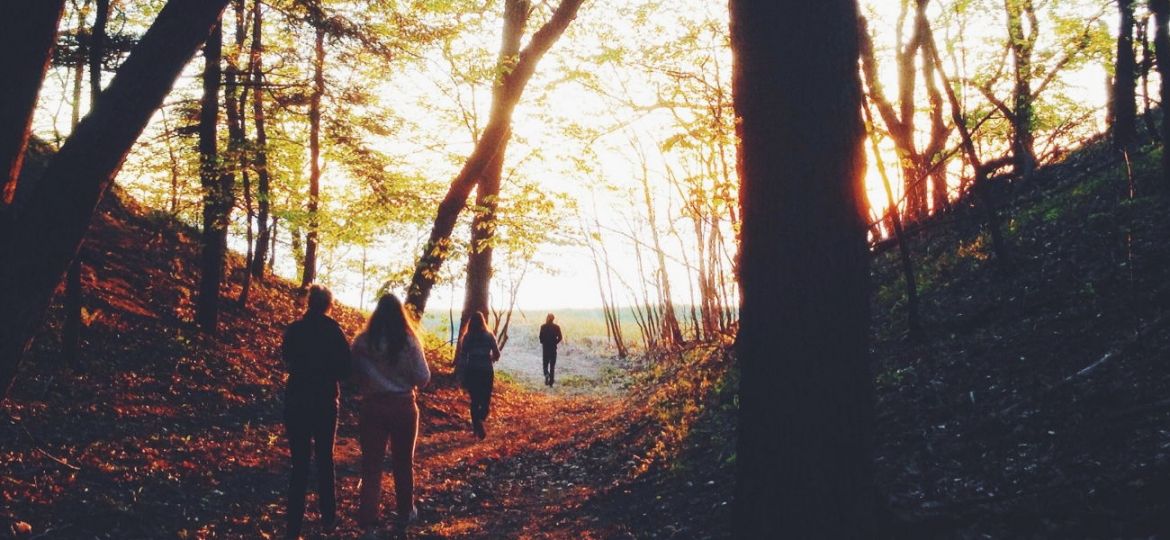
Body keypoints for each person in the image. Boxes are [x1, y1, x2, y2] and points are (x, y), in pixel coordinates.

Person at [351, 294, 431, 537]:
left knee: (371, 466)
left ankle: (368, 522)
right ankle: (406, 512)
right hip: (403, 406)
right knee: (403, 462)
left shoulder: (362, 342)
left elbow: (352, 374)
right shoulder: (408, 341)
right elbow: (423, 377)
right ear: (400, 314)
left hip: (373, 406)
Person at [280, 285, 351, 539]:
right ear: (328, 304)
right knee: (324, 458)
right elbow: (346, 370)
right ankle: (328, 518)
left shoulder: (295, 329)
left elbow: (286, 357)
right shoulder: (334, 331)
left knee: (299, 463)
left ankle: (293, 527)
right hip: (324, 402)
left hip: (297, 399)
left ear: (309, 302)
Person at [457, 311, 500, 439]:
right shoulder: (489, 336)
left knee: (474, 400)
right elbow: (497, 354)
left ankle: (477, 427)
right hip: (486, 371)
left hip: (472, 371)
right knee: (486, 400)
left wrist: (462, 373)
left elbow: (463, 356)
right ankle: (481, 420)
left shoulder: (467, 337)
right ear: (483, 322)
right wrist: (490, 358)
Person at [538, 313, 563, 386]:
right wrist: (555, 342)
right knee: (552, 366)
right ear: (553, 319)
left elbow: (540, 337)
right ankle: (551, 383)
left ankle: (546, 374)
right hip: (553, 349)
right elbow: (560, 337)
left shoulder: (543, 326)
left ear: (548, 318)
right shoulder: (557, 327)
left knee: (545, 365)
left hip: (545, 348)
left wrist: (543, 342)